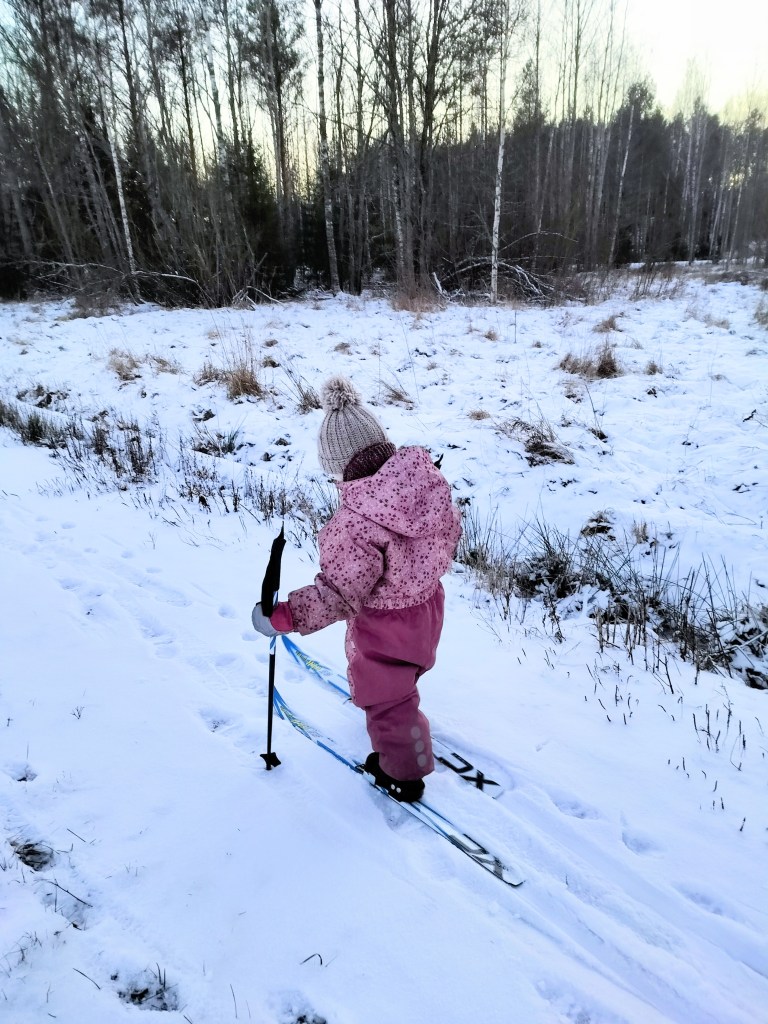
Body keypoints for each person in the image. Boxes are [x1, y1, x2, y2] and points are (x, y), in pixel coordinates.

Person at [251, 375, 461, 802]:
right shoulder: (426, 486)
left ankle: (403, 772)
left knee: (385, 696)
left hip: (386, 624)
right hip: (429, 606)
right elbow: (449, 534)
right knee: (406, 671)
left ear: (339, 471)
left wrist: (284, 616)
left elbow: (338, 593)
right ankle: (406, 697)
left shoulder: (355, 524)